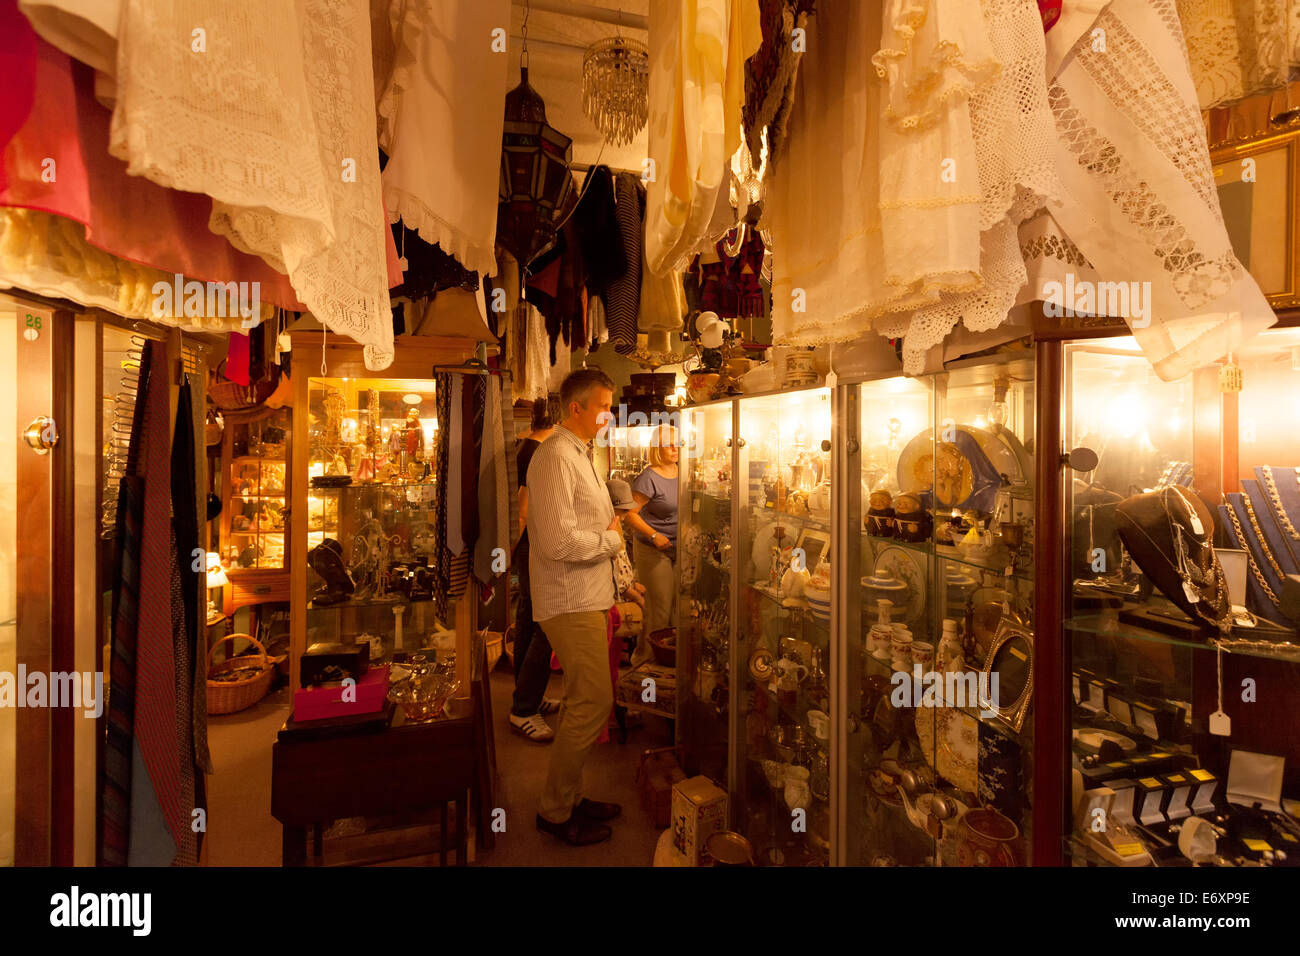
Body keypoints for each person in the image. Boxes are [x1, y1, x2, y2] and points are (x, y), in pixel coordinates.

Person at [525, 367, 625, 846]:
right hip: (569, 599)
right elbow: (557, 541)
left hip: (586, 594)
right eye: (603, 405)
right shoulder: (554, 457)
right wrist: (610, 542)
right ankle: (555, 811)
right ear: (575, 408)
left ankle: (571, 796)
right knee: (593, 702)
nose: (608, 413)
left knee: (582, 703)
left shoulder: (581, 455)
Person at [508, 394, 564, 742]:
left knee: (529, 618)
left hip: (528, 546)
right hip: (534, 546)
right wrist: (512, 550)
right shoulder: (539, 452)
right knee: (545, 624)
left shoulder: (523, 446)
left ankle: (525, 698)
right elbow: (523, 510)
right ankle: (523, 709)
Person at [624, 423, 679, 666]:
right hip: (653, 549)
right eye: (669, 445)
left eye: (678, 443)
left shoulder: (683, 470)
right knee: (659, 609)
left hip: (679, 548)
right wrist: (654, 535)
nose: (676, 448)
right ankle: (645, 663)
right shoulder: (649, 477)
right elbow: (630, 514)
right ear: (657, 447)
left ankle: (669, 662)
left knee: (678, 608)